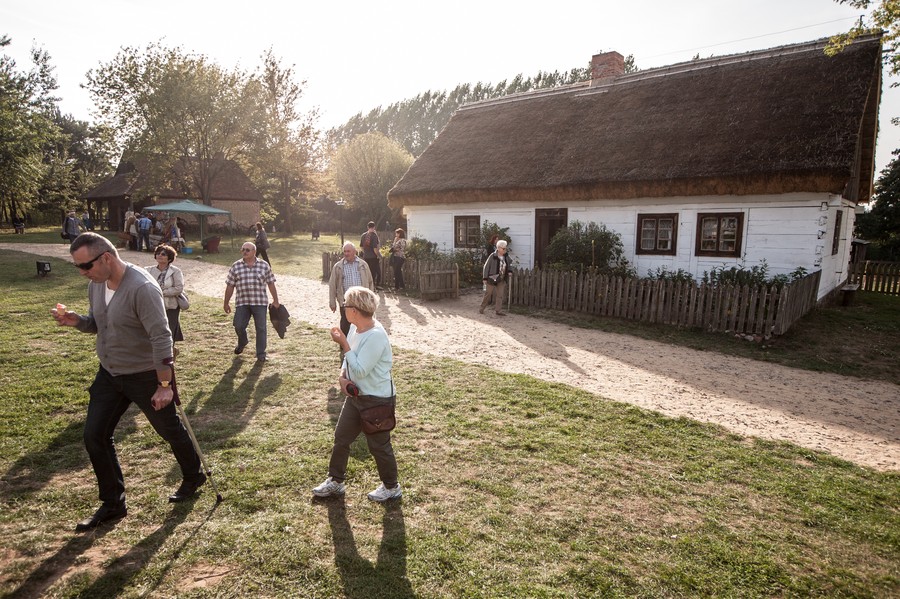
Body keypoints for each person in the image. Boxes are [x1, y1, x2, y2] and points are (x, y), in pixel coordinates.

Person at [50, 233, 205, 532]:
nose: (82, 273)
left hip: (145, 374)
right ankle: (113, 503)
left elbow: (162, 336)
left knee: (169, 429)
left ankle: (192, 474)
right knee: (94, 435)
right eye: (77, 268)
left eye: (85, 266)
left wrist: (164, 385)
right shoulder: (96, 285)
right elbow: (99, 323)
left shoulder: (142, 288)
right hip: (110, 373)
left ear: (106, 257)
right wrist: (77, 321)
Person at [313, 286, 402, 502]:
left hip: (376, 399)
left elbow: (361, 369)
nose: (343, 308)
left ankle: (392, 487)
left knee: (379, 446)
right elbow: (349, 358)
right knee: (341, 438)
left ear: (354, 310)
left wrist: (342, 342)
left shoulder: (376, 335)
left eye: (345, 304)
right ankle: (336, 481)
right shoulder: (355, 328)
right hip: (356, 396)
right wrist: (343, 376)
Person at [224, 241, 281, 362]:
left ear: (254, 252)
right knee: (238, 325)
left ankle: (261, 354)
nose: (244, 252)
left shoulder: (264, 265)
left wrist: (276, 300)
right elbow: (230, 286)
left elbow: (271, 283)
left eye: (247, 250)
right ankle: (243, 341)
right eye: (242, 249)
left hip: (259, 302)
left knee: (261, 328)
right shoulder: (236, 266)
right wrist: (226, 302)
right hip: (242, 302)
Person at [329, 242, 374, 336]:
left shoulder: (363, 265)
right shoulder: (338, 266)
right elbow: (332, 285)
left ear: (354, 252)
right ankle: (344, 346)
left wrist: (370, 300)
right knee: (345, 323)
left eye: (348, 251)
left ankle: (359, 343)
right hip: (346, 301)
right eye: (345, 251)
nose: (346, 253)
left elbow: (370, 282)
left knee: (361, 323)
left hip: (361, 301)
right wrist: (332, 302)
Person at [147, 244, 185, 354]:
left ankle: (169, 353)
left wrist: (162, 293)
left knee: (169, 331)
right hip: (154, 307)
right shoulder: (148, 270)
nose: (160, 255)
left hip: (170, 307)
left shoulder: (175, 271)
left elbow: (179, 288)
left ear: (169, 258)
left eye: (163, 254)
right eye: (158, 253)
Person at [479, 239, 512, 316]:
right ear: (499, 248)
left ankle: (498, 310)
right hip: (492, 277)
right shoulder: (492, 256)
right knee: (488, 294)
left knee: (500, 295)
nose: (505, 250)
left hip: (501, 278)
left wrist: (510, 271)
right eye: (503, 248)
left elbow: (509, 264)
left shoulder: (506, 256)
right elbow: (486, 267)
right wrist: (485, 278)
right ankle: (482, 308)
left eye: (505, 248)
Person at [360, 221, 381, 288]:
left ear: (367, 227)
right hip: (373, 257)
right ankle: (373, 285)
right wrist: (378, 255)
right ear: (374, 227)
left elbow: (361, 246)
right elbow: (375, 248)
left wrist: (365, 252)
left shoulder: (363, 235)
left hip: (366, 256)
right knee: (373, 271)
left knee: (366, 271)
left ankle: (366, 284)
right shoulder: (374, 236)